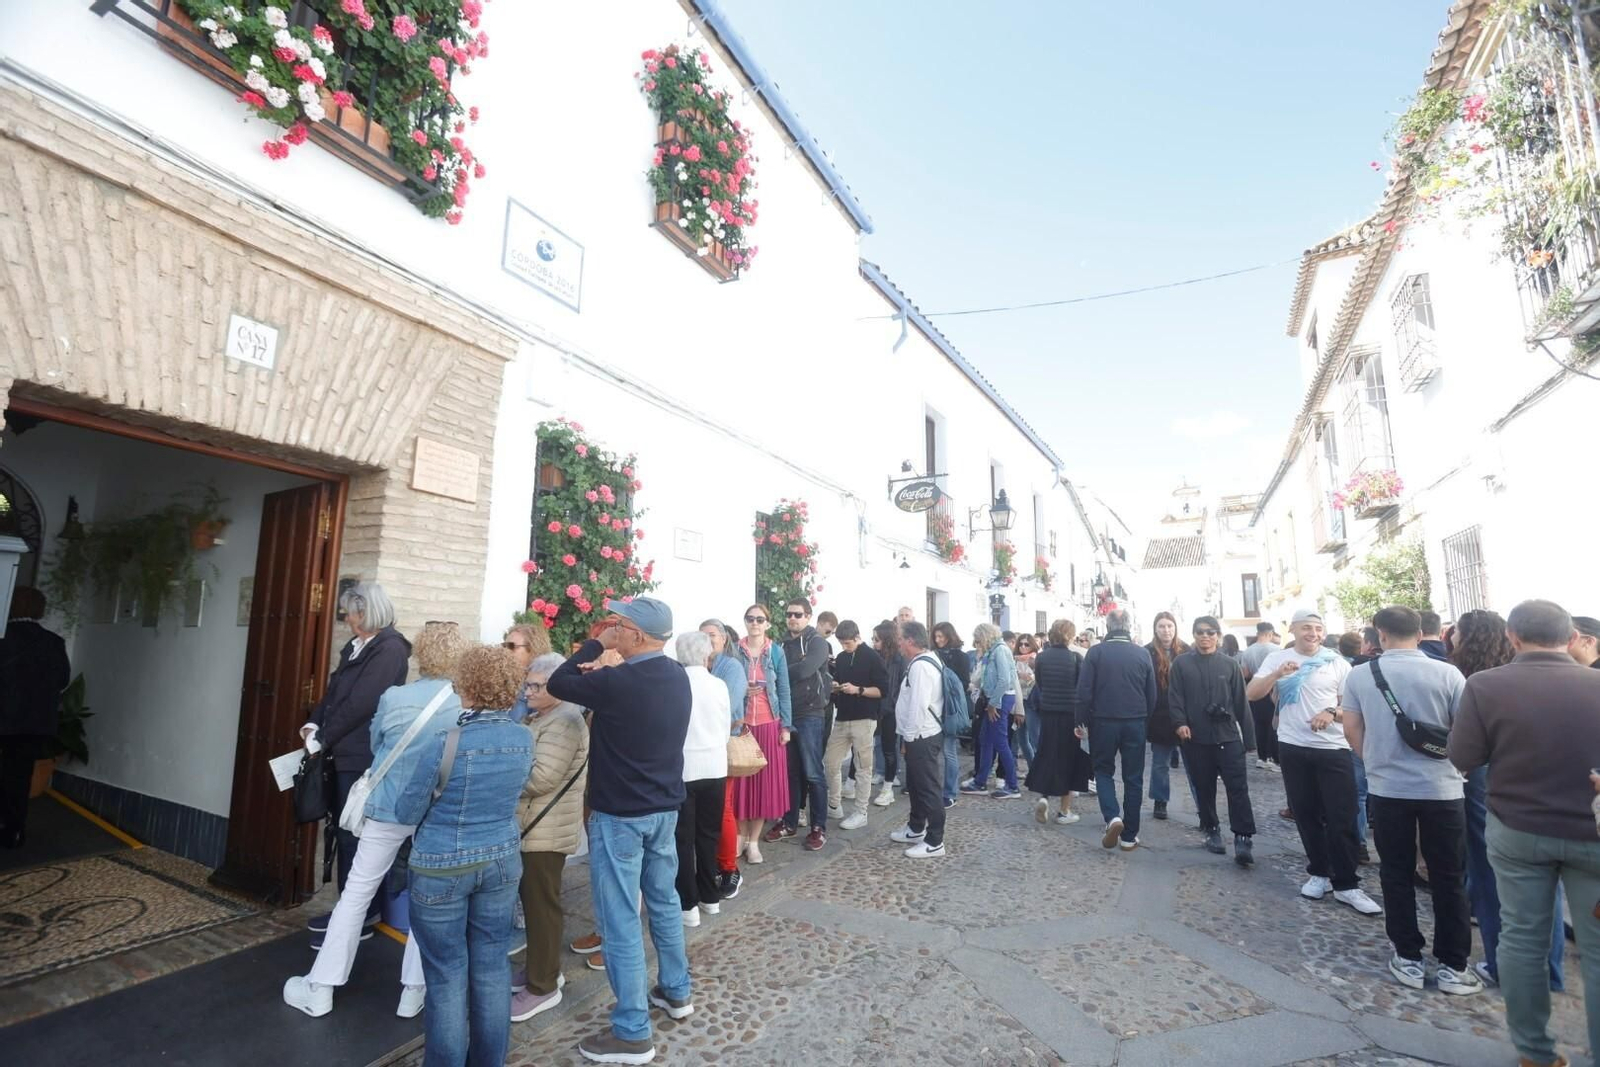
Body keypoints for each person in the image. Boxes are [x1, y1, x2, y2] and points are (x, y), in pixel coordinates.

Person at [285, 621, 464, 1019]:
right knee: (425, 901)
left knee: (356, 894)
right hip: (434, 810)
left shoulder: (395, 697)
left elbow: (377, 744)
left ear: (422, 654)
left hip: (388, 806)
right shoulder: (460, 706)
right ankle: (412, 993)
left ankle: (321, 987)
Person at [1449, 599, 1600, 1067]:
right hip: (1592, 831)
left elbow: (1463, 757)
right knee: (1596, 951)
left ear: (1512, 637)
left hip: (1518, 828)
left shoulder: (1485, 685)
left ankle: (1535, 1052)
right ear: (1571, 639)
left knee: (1521, 939)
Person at [547, 597, 694, 1066]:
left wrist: (597, 644)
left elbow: (557, 682)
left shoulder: (618, 681)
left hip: (621, 816)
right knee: (664, 902)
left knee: (620, 920)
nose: (613, 628)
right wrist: (607, 665)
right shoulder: (678, 676)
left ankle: (632, 1032)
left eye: (619, 624)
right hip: (664, 810)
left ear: (636, 634)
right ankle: (676, 989)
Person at [397, 644, 533, 1067]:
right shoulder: (523, 737)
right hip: (501, 860)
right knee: (491, 968)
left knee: (446, 976)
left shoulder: (446, 741)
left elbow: (406, 811)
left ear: (468, 685)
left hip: (442, 864)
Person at [1341, 606, 1480, 995]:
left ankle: (1408, 957)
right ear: (1420, 635)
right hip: (1443, 788)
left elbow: (1351, 727)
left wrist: (1373, 761)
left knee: (1396, 872)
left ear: (1380, 635)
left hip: (1389, 789)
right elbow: (1465, 729)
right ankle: (1453, 965)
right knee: (1448, 876)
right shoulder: (1448, 673)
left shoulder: (1360, 675)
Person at [1452, 609, 1567, 994]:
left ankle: (1506, 966)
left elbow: (1464, 752)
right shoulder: (1576, 679)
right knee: (1545, 882)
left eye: (1457, 634)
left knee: (1491, 872)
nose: (1452, 639)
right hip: (1555, 790)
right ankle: (1547, 971)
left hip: (1493, 783)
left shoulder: (1481, 682)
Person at [1246, 609, 1381, 915]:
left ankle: (1347, 884)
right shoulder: (1277, 659)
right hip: (1293, 747)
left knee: (1342, 816)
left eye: (1318, 629)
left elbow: (1353, 709)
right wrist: (1276, 675)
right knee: (1306, 814)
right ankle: (1319, 872)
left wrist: (1331, 713)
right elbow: (1251, 693)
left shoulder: (1337, 663)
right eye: (1307, 627)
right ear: (1293, 629)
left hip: (1333, 749)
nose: (1313, 634)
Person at [300, 582, 411, 941]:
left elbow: (362, 703)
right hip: (341, 752)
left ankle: (361, 916)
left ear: (366, 612)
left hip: (362, 755)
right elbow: (334, 693)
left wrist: (324, 738)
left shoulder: (390, 649)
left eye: (350, 612)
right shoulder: (355, 645)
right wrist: (313, 723)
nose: (346, 618)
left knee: (354, 836)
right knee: (343, 834)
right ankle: (348, 911)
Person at [510, 652, 589, 1022]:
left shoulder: (565, 721)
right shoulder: (545, 716)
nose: (527, 692)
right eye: (527, 684)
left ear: (557, 687)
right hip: (537, 826)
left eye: (536, 686)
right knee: (535, 904)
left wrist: (502, 772)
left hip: (545, 829)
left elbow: (541, 778)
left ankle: (542, 988)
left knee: (542, 907)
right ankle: (541, 970)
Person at [1169, 616, 1256, 865]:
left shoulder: (1230, 665)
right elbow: (1175, 697)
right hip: (1196, 737)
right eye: (1200, 632)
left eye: (1210, 632)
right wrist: (1180, 723)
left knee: (1237, 787)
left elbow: (1241, 702)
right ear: (1194, 635)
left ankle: (1243, 836)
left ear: (1218, 635)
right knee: (1204, 788)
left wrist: (1250, 740)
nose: (1205, 636)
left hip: (1227, 736)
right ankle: (1211, 829)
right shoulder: (1181, 664)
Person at [1076, 608, 1157, 851]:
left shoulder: (1096, 652)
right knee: (1133, 778)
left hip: (1103, 721)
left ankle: (1112, 817)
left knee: (1102, 771)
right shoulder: (1142, 654)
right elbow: (1151, 694)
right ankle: (1130, 836)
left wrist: (1080, 722)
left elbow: (1084, 692)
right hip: (1135, 720)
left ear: (1108, 627)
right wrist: (1144, 720)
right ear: (1128, 627)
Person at [0, 587, 70, 849]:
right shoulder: (54, 642)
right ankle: (14, 830)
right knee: (19, 775)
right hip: (33, 721)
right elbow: (62, 680)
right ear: (40, 609)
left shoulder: (2, 638)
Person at [673, 630, 731, 930]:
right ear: (707, 654)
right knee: (709, 834)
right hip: (714, 765)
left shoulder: (675, 684)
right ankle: (710, 896)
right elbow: (725, 728)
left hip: (684, 767)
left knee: (683, 839)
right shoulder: (718, 685)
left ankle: (688, 903)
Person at [769, 599, 831, 852]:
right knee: (790, 773)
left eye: (797, 614)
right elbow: (770, 670)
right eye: (789, 614)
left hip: (810, 714)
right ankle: (789, 822)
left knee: (813, 772)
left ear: (808, 616)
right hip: (787, 715)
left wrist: (780, 670)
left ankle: (818, 827)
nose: (792, 618)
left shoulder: (817, 642)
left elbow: (806, 669)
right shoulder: (781, 644)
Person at [730, 606, 790, 865]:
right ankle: (740, 836)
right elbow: (727, 685)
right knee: (740, 786)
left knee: (763, 786)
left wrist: (786, 727)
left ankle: (754, 842)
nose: (754, 623)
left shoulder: (776, 652)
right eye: (750, 619)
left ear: (767, 623)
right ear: (745, 622)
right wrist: (743, 690)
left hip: (768, 724)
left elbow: (784, 690)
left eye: (760, 619)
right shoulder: (735, 650)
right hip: (742, 725)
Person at [888, 622, 948, 858]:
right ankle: (915, 828)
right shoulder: (923, 661)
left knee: (928, 788)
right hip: (919, 735)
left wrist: (909, 737)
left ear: (910, 641)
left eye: (901, 639)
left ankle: (935, 841)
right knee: (915, 785)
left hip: (922, 736)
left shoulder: (921, 667)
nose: (899, 643)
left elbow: (918, 706)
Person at [825, 621, 888, 831]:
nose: (845, 647)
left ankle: (861, 812)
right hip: (842, 718)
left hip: (865, 718)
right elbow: (837, 681)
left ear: (857, 637)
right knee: (831, 762)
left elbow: (883, 690)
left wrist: (858, 690)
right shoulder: (842, 658)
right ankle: (834, 805)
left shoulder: (873, 657)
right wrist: (835, 687)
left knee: (863, 767)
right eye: (842, 643)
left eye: (848, 643)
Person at [700, 619, 747, 901]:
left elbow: (727, 706)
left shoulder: (731, 667)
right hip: (697, 746)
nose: (707, 639)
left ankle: (730, 868)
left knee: (722, 807)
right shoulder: (695, 666)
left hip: (722, 743)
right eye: (702, 635)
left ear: (724, 638)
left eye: (712, 635)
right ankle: (711, 865)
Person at [1026, 619, 1090, 826]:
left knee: (1048, 755)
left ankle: (1044, 797)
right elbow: (1081, 689)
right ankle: (1064, 811)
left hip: (1048, 713)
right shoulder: (1076, 658)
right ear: (1070, 636)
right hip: (1070, 715)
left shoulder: (1042, 658)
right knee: (1070, 761)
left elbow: (1040, 684)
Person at [960, 623, 1021, 799]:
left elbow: (1004, 680)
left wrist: (993, 703)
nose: (976, 643)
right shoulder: (992, 651)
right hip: (994, 698)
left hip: (1000, 699)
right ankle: (980, 781)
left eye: (978, 640)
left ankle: (1012, 786)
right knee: (985, 740)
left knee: (1000, 742)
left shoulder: (999, 650)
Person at [1145, 612, 1190, 822]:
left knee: (1194, 764)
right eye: (1162, 626)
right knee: (1160, 763)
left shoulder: (1186, 651)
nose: (1166, 630)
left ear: (1175, 628)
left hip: (1186, 714)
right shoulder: (1147, 652)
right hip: (1160, 716)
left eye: (1169, 626)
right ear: (1155, 629)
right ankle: (1160, 800)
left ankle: (1203, 805)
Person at [932, 622, 971, 807]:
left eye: (941, 636)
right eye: (936, 636)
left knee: (949, 752)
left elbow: (964, 683)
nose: (938, 640)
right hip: (933, 708)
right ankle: (932, 789)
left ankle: (950, 792)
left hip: (950, 709)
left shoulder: (961, 657)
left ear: (949, 636)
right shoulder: (933, 654)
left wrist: (948, 686)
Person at [867, 620, 905, 807]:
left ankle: (888, 788)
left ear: (887, 640)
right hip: (873, 708)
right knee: (868, 746)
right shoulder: (873, 656)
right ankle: (855, 783)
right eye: (873, 639)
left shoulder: (899, 659)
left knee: (889, 749)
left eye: (877, 639)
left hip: (891, 711)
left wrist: (893, 706)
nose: (874, 643)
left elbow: (900, 687)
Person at [1239, 621, 1282, 773]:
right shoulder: (1277, 650)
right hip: (1272, 690)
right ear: (1270, 633)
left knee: (1259, 724)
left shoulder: (1247, 651)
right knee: (1273, 725)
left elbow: (1245, 673)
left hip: (1255, 689)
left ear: (1257, 633)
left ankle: (1262, 757)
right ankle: (1274, 758)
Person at [504, 622, 554, 722]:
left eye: (512, 647)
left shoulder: (545, 684)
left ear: (533, 648)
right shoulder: (508, 679)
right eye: (505, 646)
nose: (506, 651)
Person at [1014, 634, 1040, 768]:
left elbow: (1033, 679)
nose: (1023, 647)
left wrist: (1025, 677)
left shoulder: (1036, 659)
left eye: (1026, 644)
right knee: (1021, 739)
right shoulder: (1014, 660)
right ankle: (1033, 769)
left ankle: (1040, 770)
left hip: (1031, 702)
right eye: (1021, 644)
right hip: (1018, 702)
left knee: (1035, 737)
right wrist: (1020, 676)